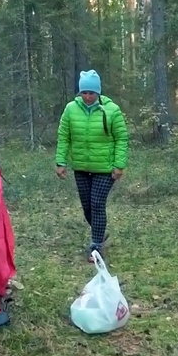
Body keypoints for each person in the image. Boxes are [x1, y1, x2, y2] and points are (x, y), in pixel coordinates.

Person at [55, 70, 129, 261]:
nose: (88, 96)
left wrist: (119, 165)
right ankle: (100, 231)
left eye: (91, 93)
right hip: (80, 166)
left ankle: (96, 245)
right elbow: (64, 136)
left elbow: (121, 138)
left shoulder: (112, 110)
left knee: (97, 203)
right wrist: (60, 162)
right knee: (87, 206)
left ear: (98, 92)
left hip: (105, 168)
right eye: (84, 92)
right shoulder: (71, 109)